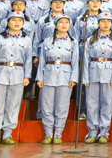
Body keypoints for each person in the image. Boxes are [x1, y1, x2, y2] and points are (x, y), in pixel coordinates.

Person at [0, 11, 32, 145]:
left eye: (20, 20)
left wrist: (27, 76)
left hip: (18, 74)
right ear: (8, 22)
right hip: (0, 73)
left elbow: (28, 60)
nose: (17, 23)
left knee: (13, 105)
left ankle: (7, 134)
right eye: (14, 20)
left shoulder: (26, 40)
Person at [36, 14, 78, 144]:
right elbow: (42, 60)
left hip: (65, 76)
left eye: (66, 22)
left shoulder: (73, 42)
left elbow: (75, 61)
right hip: (48, 75)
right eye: (61, 22)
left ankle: (58, 134)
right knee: (47, 106)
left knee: (62, 106)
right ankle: (48, 133)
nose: (64, 25)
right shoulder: (47, 41)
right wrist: (39, 78)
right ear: (55, 25)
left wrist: (74, 78)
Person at [82, 12, 112, 144]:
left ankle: (104, 132)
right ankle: (92, 132)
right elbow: (86, 60)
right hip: (93, 74)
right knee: (91, 104)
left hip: (109, 75)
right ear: (98, 23)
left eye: (108, 21)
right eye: (103, 21)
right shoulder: (90, 40)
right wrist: (85, 78)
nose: (106, 23)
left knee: (107, 103)